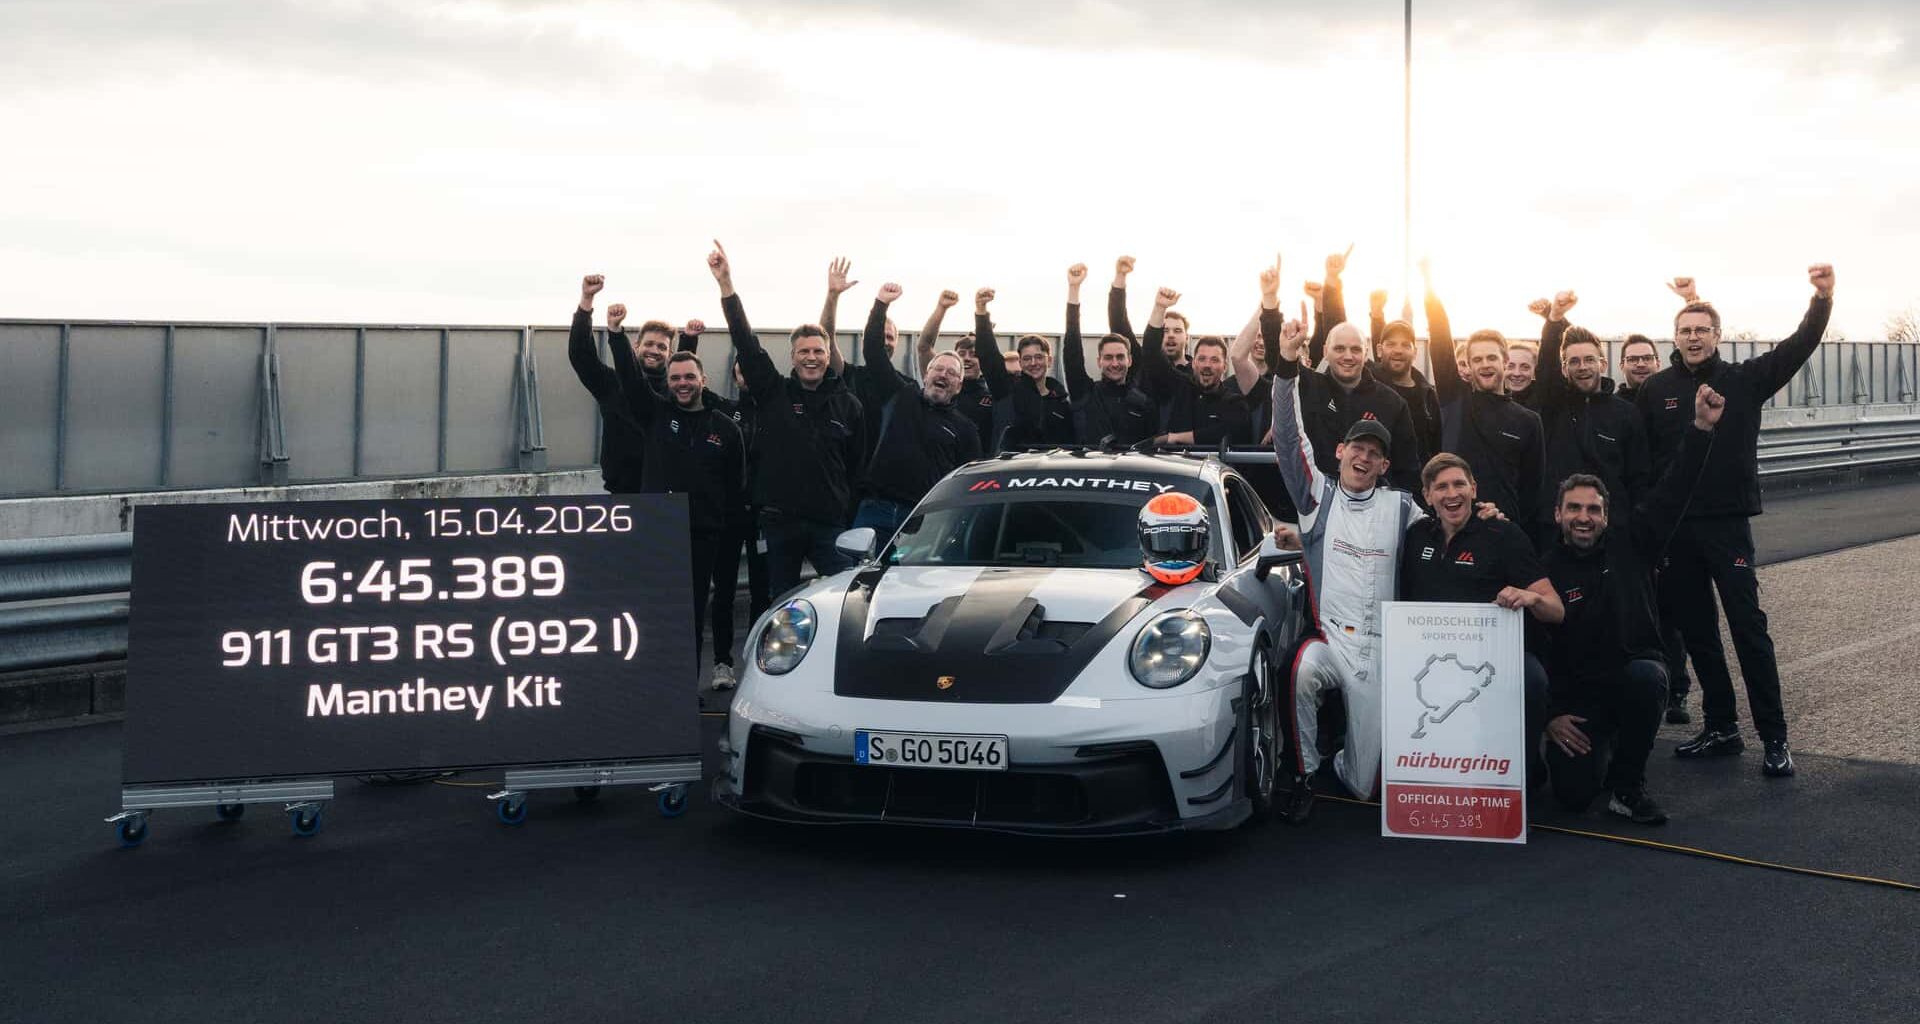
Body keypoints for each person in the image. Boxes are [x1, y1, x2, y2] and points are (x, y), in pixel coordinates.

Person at [1636, 264, 1835, 776]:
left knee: (1749, 630)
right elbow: (1643, 461)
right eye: (1685, 330)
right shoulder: (1655, 389)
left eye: (1702, 330)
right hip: (1677, 531)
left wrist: (1821, 299)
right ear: (1674, 337)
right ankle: (1721, 727)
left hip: (1726, 526)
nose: (1694, 337)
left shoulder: (1744, 379)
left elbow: (1799, 346)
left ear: (1718, 336)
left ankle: (1774, 737)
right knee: (1699, 634)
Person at [1265, 289, 1425, 822]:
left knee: (1363, 787)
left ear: (1385, 466)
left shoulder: (1404, 508)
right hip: (1331, 640)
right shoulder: (1318, 498)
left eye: (1375, 453)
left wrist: (1483, 518)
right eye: (1357, 448)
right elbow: (1288, 440)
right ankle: (1303, 774)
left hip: (1382, 650)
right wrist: (1286, 366)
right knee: (1300, 671)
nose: (1364, 457)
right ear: (1339, 452)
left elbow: (1450, 537)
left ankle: (1345, 764)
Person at [1542, 384, 1726, 824]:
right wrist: (1550, 716)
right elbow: (1534, 651)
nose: (1583, 518)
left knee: (1648, 676)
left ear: (1606, 516)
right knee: (1572, 797)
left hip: (1630, 680)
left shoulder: (1635, 544)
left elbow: (1675, 489)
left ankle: (1627, 786)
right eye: (1574, 509)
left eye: (1593, 510)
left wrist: (1701, 428)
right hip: (1581, 700)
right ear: (1558, 515)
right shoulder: (1543, 569)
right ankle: (1602, 748)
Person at [707, 241, 866, 597]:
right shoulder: (773, 392)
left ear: (828, 355)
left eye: (818, 351)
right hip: (780, 524)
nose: (812, 357)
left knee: (848, 598)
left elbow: (857, 469)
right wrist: (726, 284)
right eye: (803, 351)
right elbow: (745, 342)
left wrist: (846, 513)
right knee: (779, 600)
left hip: (830, 526)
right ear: (792, 357)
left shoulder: (850, 405)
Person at [1400, 453, 1565, 787]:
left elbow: (1556, 609)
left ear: (1474, 489)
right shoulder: (1415, 536)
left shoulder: (1504, 534)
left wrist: (1530, 597)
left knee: (1532, 678)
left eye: (1459, 484)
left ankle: (1523, 770)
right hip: (1431, 658)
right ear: (1427, 496)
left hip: (1495, 657)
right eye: (1441, 487)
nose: (1452, 494)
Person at [599, 321, 747, 691]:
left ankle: (683, 690)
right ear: (668, 381)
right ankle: (648, 687)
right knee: (650, 610)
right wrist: (615, 335)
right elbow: (630, 378)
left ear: (703, 380)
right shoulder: (654, 415)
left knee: (691, 614)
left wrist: (724, 531)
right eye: (676, 377)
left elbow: (735, 488)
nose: (683, 383)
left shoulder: (726, 429)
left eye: (689, 377)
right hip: (658, 531)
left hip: (702, 535)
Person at [1254, 255, 1421, 491]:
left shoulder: (1392, 403)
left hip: (1370, 506)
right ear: (1326, 351)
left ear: (1366, 353)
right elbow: (1279, 355)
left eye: (1355, 349)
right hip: (1316, 502)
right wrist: (1270, 300)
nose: (1348, 356)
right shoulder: (1309, 387)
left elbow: (1407, 470)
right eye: (1339, 349)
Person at [850, 283, 982, 536]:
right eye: (938, 369)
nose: (943, 375)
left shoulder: (965, 429)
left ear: (959, 385)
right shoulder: (901, 395)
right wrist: (881, 304)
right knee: (858, 562)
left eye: (951, 373)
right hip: (877, 509)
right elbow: (873, 351)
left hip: (927, 519)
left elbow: (969, 481)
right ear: (926, 374)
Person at [1425, 260, 1547, 525]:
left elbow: (1532, 491)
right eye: (1477, 360)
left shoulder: (1528, 421)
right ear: (1468, 365)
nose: (1485, 365)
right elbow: (1440, 340)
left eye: (1491, 358)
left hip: (1503, 529)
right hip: (1453, 525)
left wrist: (1513, 527)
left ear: (1505, 361)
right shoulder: (1455, 399)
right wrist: (1428, 285)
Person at [1526, 290, 1651, 539]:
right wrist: (1554, 319)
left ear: (1602, 364)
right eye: (1573, 361)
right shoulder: (1552, 405)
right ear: (1564, 368)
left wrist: (1634, 526)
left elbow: (1639, 478)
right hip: (1556, 532)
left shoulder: (1626, 413)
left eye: (1589, 360)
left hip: (1611, 531)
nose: (1582, 367)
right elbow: (1546, 366)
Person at [569, 275, 669, 493]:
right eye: (649, 344)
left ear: (669, 354)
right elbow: (581, 356)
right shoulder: (611, 384)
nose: (654, 350)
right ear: (636, 346)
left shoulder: (677, 391)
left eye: (662, 347)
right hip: (621, 495)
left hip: (667, 496)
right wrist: (586, 301)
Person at [1142, 286, 1254, 445]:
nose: (1207, 365)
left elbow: (1227, 431)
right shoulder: (1180, 386)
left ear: (1224, 366)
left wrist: (1174, 438)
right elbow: (1151, 351)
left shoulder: (1235, 402)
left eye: (1214, 360)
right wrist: (1159, 308)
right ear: (1193, 363)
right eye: (1202, 359)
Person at [1061, 263, 1156, 445]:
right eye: (1108, 357)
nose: (1114, 363)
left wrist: (1121, 277)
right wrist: (1074, 288)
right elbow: (1072, 349)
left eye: (1120, 357)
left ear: (1130, 360)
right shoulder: (1085, 393)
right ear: (1099, 361)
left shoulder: (1144, 402)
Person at [974, 288, 1076, 448]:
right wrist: (981, 311)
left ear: (1049, 360)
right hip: (1010, 464)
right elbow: (988, 355)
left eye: (1039, 357)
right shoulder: (1006, 389)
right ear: (1020, 363)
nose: (1033, 363)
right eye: (1027, 359)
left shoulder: (1062, 404)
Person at [1618, 335, 1661, 402]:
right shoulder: (1610, 406)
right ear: (1622, 366)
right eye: (1632, 359)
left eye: (1647, 358)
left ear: (1658, 364)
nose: (1641, 364)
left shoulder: (1672, 400)